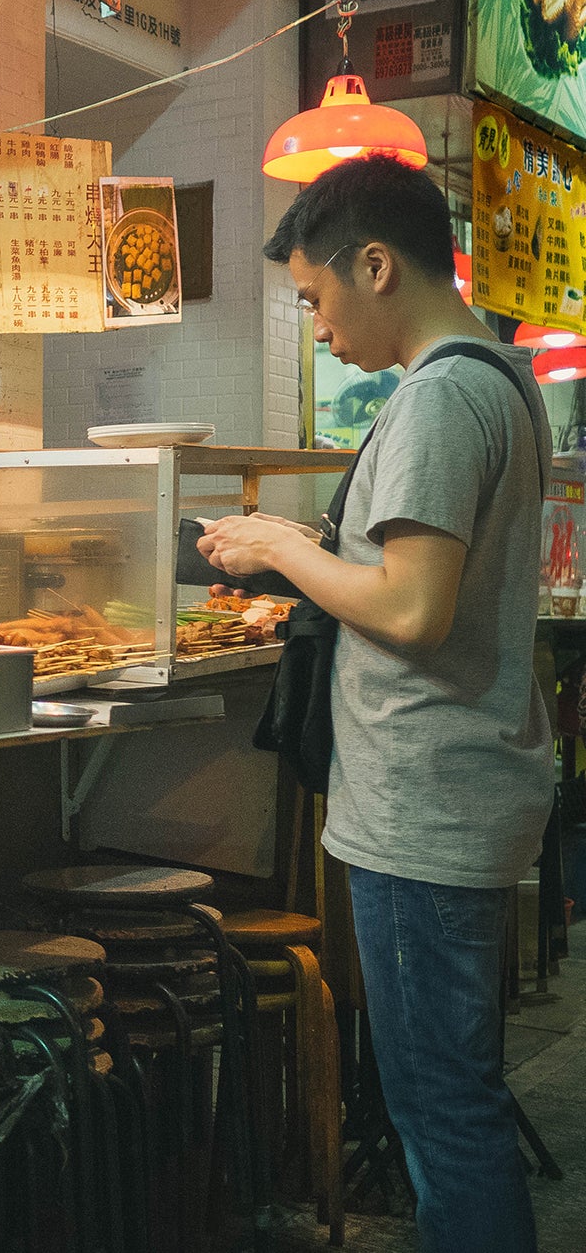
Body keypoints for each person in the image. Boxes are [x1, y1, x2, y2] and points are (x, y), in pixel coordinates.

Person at [199, 155, 549, 1253]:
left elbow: (411, 610)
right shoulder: (499, 377)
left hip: (426, 808)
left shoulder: (442, 398)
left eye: (315, 298)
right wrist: (306, 556)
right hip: (455, 792)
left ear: (378, 265)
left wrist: (282, 549)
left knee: (443, 1113)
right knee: (452, 1103)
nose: (317, 326)